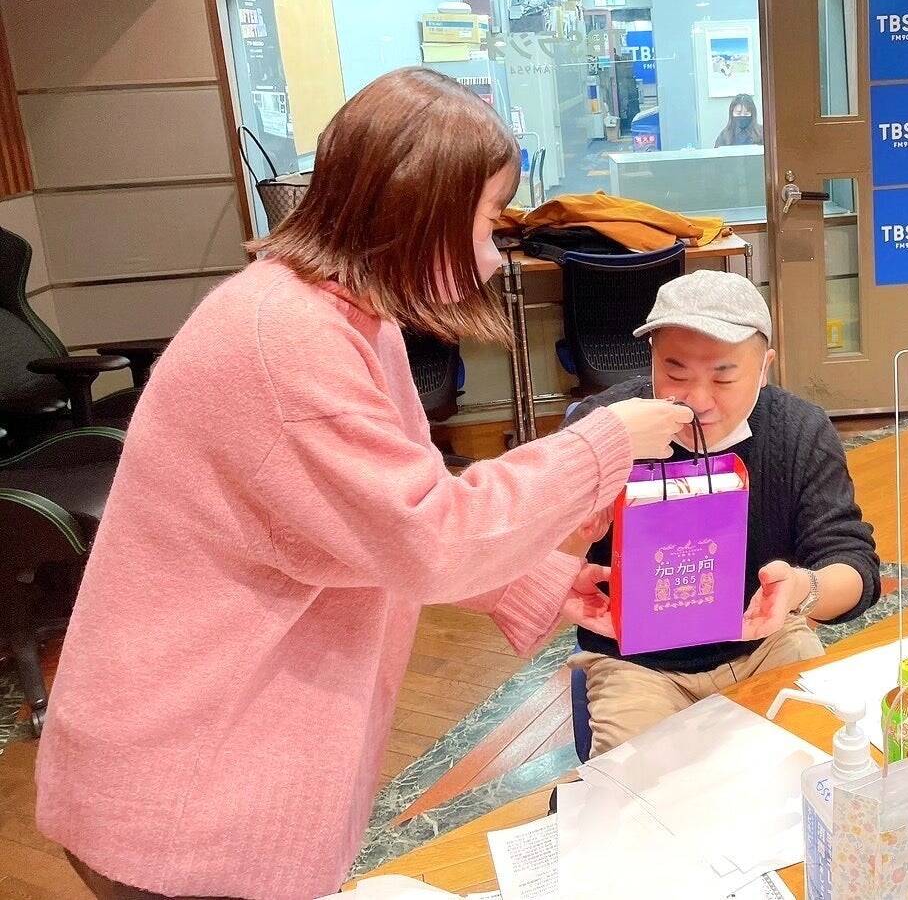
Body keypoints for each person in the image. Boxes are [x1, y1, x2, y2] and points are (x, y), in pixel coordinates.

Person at [35, 68, 691, 899]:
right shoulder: (286, 335)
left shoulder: (345, 317)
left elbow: (375, 517)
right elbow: (429, 536)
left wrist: (537, 580)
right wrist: (606, 441)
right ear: (416, 206)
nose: (492, 250)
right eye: (487, 217)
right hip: (187, 778)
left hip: (226, 757)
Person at [566, 271, 880, 757]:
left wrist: (801, 589)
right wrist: (577, 534)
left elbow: (854, 565)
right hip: (637, 662)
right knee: (634, 788)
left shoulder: (799, 431)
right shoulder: (603, 429)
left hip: (765, 642)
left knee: (821, 759)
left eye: (724, 377)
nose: (698, 400)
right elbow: (539, 558)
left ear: (764, 368)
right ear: (651, 358)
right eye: (675, 373)